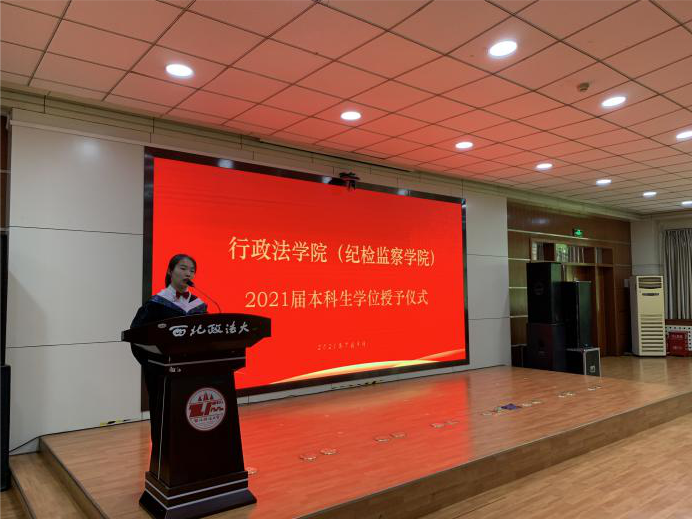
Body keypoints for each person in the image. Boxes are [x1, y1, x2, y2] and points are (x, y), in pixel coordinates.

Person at [130, 254, 208, 451]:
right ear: (170, 271)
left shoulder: (198, 305)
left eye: (192, 270)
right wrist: (152, 363)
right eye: (183, 268)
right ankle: (162, 455)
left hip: (191, 372)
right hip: (162, 373)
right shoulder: (156, 304)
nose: (188, 273)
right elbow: (136, 335)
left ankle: (190, 452)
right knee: (164, 416)